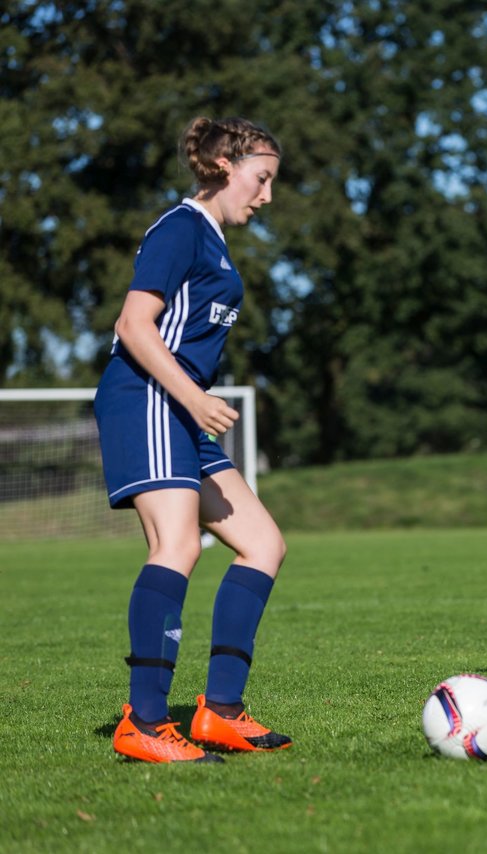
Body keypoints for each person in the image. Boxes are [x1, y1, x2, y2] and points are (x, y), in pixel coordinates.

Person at [95, 117, 292, 763]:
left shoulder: (212, 240)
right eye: (260, 179)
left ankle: (221, 712)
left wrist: (194, 402)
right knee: (177, 544)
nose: (265, 196)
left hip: (182, 409)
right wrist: (193, 397)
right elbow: (133, 324)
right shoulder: (180, 228)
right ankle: (145, 722)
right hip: (150, 400)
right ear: (224, 165)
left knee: (263, 544)